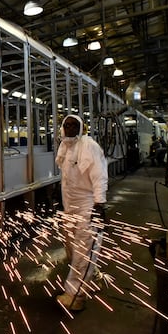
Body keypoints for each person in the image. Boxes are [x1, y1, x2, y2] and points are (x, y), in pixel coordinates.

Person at [55, 114, 108, 311]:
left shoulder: (89, 146)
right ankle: (89, 275)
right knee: (72, 249)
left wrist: (99, 204)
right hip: (70, 209)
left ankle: (75, 295)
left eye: (74, 125)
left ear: (81, 128)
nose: (69, 129)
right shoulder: (65, 148)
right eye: (66, 125)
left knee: (83, 253)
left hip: (88, 208)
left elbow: (99, 176)